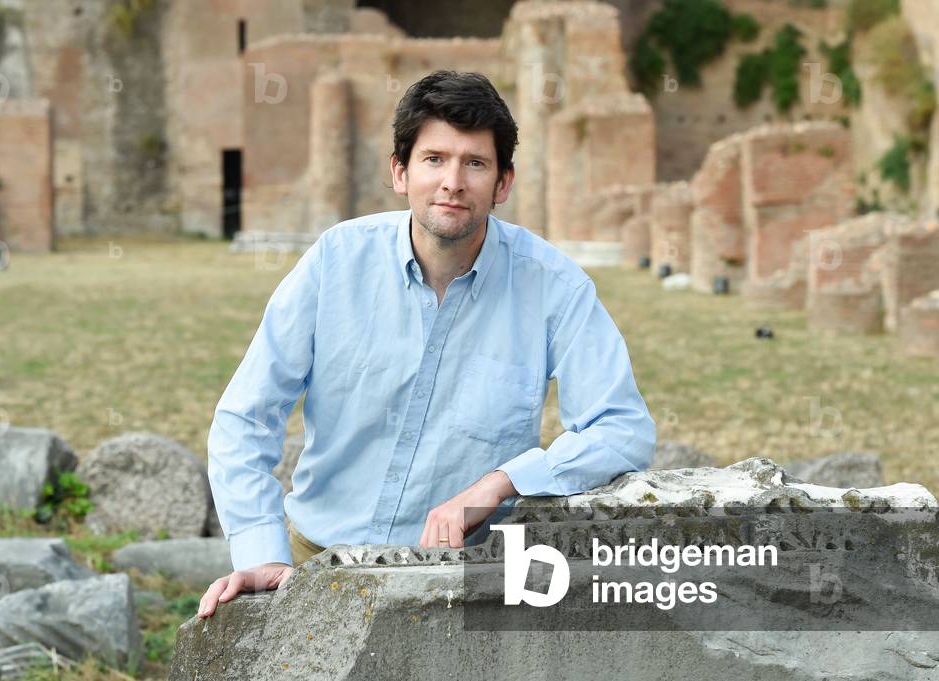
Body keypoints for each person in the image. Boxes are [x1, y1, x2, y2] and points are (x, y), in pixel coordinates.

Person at [197, 70, 656, 619]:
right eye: (434, 159)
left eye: (475, 163)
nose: (452, 182)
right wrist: (260, 551)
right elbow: (245, 417)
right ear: (400, 172)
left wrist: (501, 483)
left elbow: (622, 428)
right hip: (312, 564)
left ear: (503, 183)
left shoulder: (555, 287)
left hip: (457, 583)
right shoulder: (335, 262)